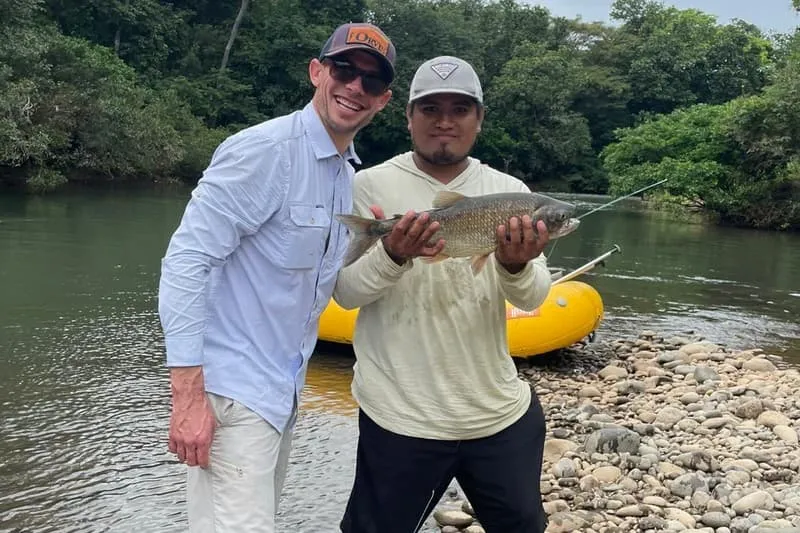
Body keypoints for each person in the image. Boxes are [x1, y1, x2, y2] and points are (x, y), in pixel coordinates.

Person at [157, 22, 395, 532]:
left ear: (383, 101)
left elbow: (333, 289)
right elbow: (186, 263)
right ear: (317, 72)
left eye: (371, 83)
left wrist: (389, 247)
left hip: (279, 397)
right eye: (344, 70)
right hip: (231, 395)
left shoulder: (345, 176)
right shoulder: (264, 151)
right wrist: (189, 399)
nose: (355, 87)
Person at [333, 55, 551, 533]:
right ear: (408, 117)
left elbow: (535, 297)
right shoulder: (366, 185)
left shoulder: (510, 191)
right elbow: (344, 294)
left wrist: (514, 262)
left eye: (460, 109)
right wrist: (392, 253)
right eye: (431, 109)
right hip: (400, 417)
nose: (445, 122)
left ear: (479, 119)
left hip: (497, 416)